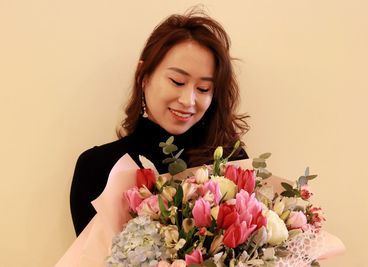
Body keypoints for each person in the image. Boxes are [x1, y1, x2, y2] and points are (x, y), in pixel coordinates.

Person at [70, 9, 250, 236]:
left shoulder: (231, 165)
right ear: (143, 76)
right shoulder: (97, 167)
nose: (188, 100)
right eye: (177, 81)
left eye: (203, 88)